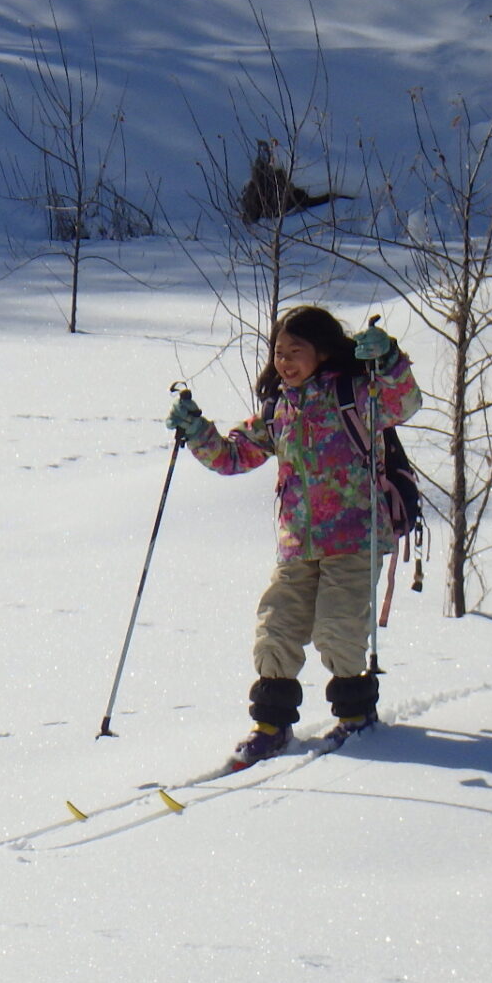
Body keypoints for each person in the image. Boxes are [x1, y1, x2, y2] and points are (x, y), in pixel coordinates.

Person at [166, 306, 422, 770]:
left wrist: (388, 360)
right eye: (279, 353)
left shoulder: (355, 394)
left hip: (355, 538)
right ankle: (271, 726)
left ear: (321, 352)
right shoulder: (279, 409)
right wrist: (196, 430)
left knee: (338, 630)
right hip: (297, 544)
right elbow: (232, 457)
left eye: (295, 352)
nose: (284, 362)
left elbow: (403, 403)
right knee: (276, 629)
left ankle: (356, 716)